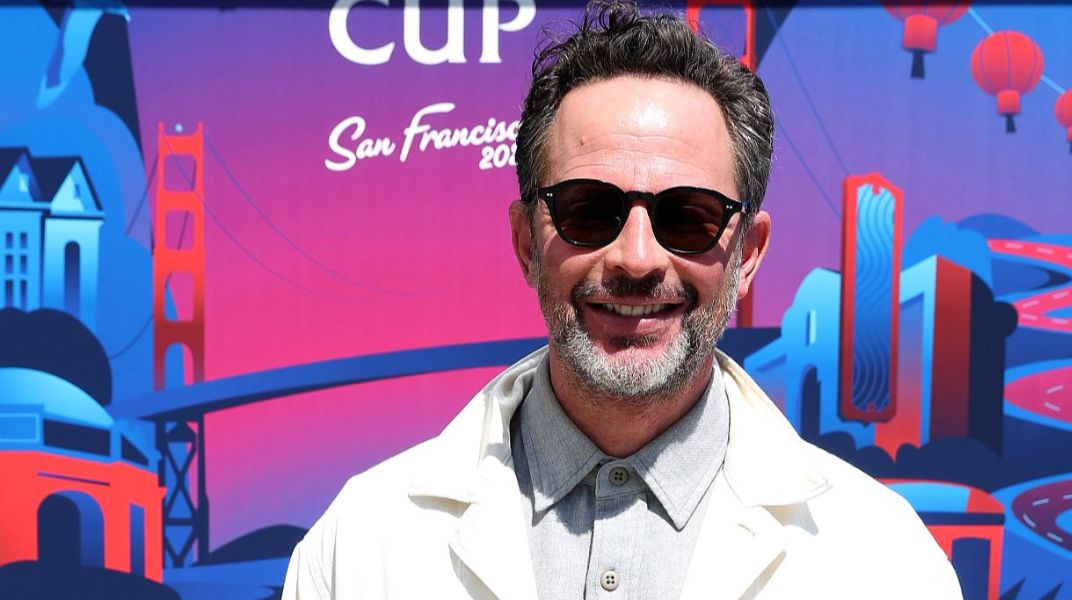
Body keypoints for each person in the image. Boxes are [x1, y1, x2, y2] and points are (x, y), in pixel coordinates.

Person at [283, 1, 963, 598]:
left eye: (690, 218)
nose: (637, 258)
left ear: (748, 254)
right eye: (587, 210)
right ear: (526, 242)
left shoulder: (881, 561)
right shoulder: (363, 542)